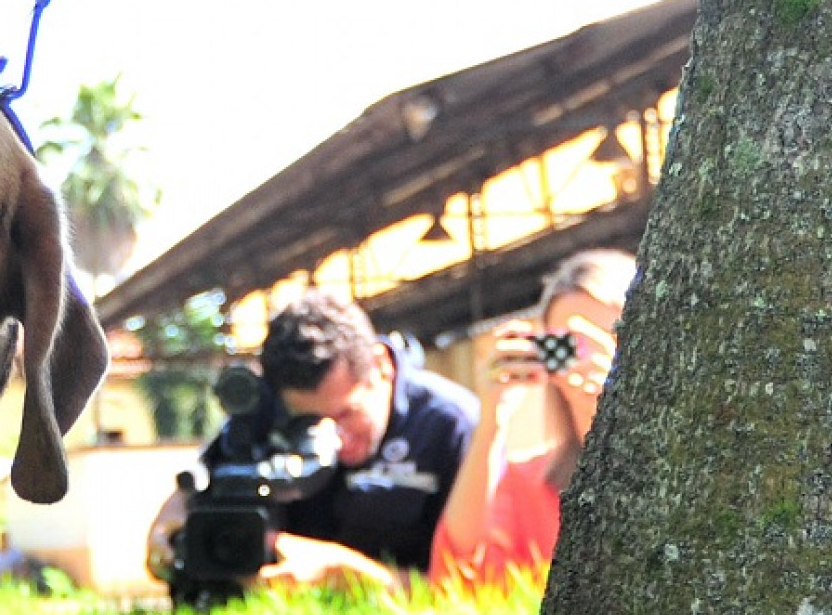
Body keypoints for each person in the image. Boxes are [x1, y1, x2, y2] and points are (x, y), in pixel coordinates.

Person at [146, 290, 479, 593]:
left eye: (348, 414)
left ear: (381, 365)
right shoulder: (263, 416)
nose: (335, 437)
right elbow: (198, 488)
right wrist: (171, 531)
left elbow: (476, 587)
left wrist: (345, 573)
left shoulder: (450, 425)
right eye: (309, 423)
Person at [429, 248, 636, 590]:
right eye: (570, 347)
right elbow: (455, 579)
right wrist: (492, 421)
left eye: (617, 336)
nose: (592, 361)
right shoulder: (528, 484)